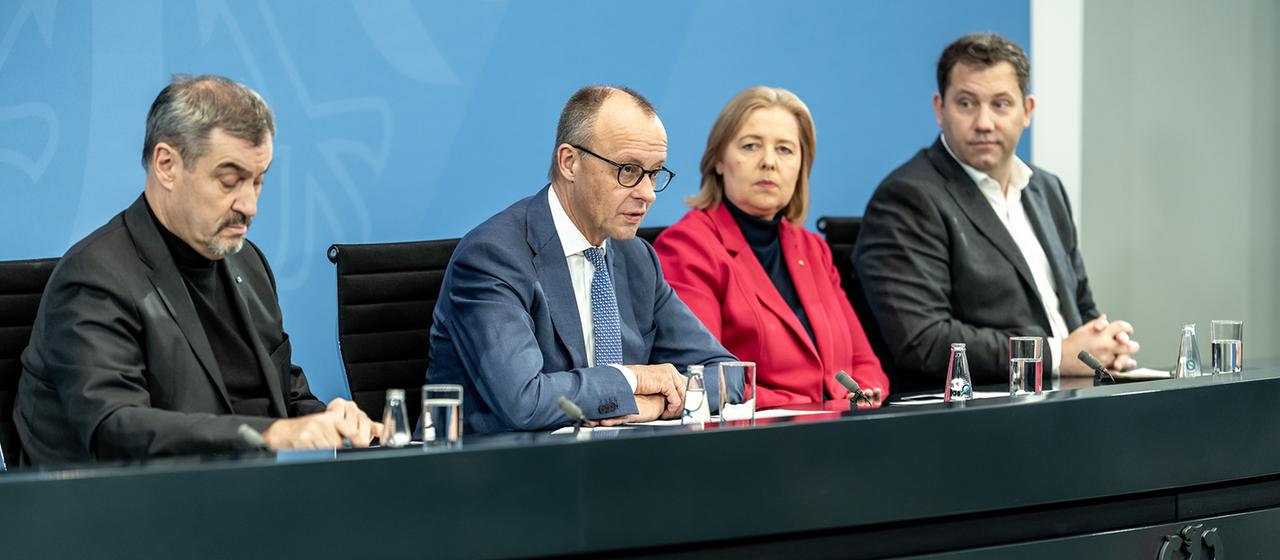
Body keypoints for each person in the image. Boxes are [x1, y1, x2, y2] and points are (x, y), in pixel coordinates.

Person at [15, 75, 380, 465]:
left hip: (238, 504)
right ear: (167, 165)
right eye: (230, 181)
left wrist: (327, 420)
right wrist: (271, 433)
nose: (250, 205)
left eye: (258, 181)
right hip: (118, 513)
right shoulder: (94, 279)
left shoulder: (247, 262)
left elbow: (283, 394)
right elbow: (116, 427)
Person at [428, 85, 736, 433]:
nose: (647, 194)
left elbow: (730, 376)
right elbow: (525, 402)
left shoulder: (637, 259)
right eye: (628, 170)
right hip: (500, 474)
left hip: (614, 470)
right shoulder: (492, 257)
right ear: (569, 162)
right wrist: (630, 380)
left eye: (654, 173)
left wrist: (650, 406)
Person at [854, 33, 1141, 394]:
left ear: (1028, 111)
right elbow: (922, 341)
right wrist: (1053, 355)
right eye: (966, 104)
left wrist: (1104, 346)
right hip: (973, 419)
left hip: (1067, 402)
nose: (984, 122)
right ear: (939, 109)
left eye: (1001, 104)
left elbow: (1081, 305)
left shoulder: (1046, 189)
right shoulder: (908, 198)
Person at [653, 86, 888, 408]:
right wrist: (802, 404)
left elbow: (863, 361)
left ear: (801, 168)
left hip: (838, 433)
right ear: (719, 161)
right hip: (753, 440)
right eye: (750, 146)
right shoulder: (689, 248)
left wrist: (866, 391)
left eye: (785, 150)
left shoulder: (813, 249)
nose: (768, 162)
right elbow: (699, 378)